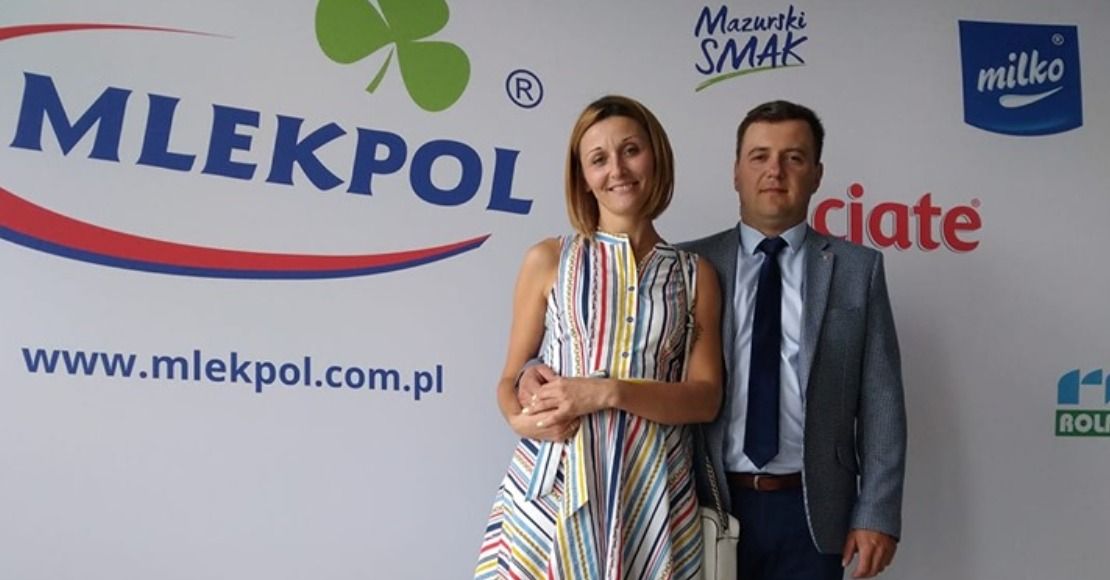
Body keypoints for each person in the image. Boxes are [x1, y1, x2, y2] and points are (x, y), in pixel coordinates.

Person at [519, 100, 907, 580]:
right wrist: (529, 374)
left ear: (817, 174)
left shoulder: (856, 270)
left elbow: (882, 401)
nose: (775, 171)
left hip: (814, 509)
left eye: (794, 158)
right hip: (700, 500)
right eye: (759, 156)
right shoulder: (688, 266)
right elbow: (611, 343)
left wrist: (877, 512)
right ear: (736, 172)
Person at [474, 95, 724, 579]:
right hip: (552, 491)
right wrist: (521, 419)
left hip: (653, 496)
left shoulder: (696, 275)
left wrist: (607, 392)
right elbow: (509, 379)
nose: (617, 170)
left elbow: (705, 398)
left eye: (631, 150)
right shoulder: (549, 259)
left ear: (656, 156)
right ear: (583, 177)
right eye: (598, 159)